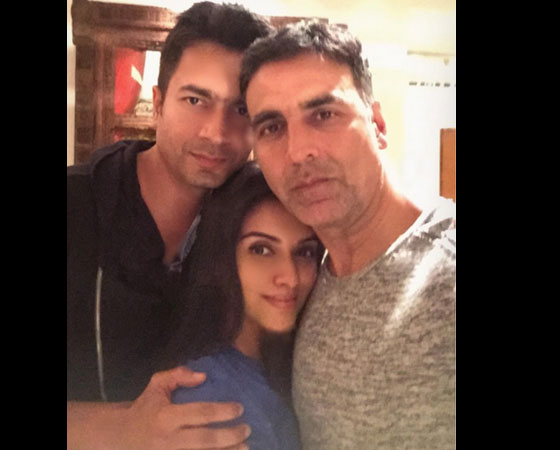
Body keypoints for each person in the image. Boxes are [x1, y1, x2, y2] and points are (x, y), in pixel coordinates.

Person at [240, 21, 456, 449]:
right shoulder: (304, 279)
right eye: (272, 128)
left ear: (378, 124)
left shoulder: (445, 274)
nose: (298, 151)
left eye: (324, 115)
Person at [67, 3, 271, 449]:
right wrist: (123, 429)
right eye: (195, 100)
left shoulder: (251, 229)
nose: (216, 132)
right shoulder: (77, 207)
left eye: (241, 108)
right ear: (158, 103)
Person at [165, 161, 324, 450]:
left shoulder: (298, 362)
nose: (290, 277)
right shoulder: (209, 397)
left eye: (304, 252)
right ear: (221, 259)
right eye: (261, 250)